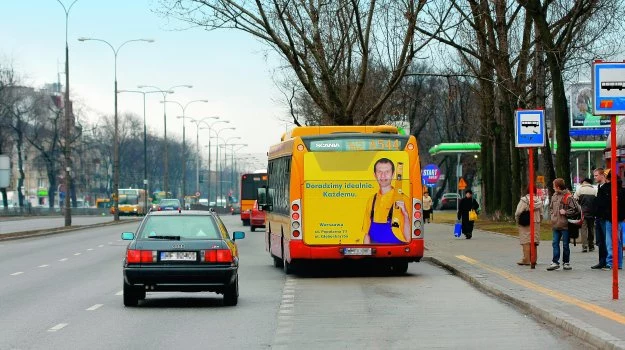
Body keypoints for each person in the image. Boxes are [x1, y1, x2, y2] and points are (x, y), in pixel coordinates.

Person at [362, 158, 411, 244]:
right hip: (375, 252)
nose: (383, 176)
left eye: (387, 172)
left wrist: (406, 216)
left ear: (393, 175)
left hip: (397, 252)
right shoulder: (371, 200)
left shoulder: (403, 199)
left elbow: (408, 239)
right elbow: (367, 235)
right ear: (375, 175)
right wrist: (366, 253)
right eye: (379, 172)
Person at [547, 178, 577, 271]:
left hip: (565, 225)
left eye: (553, 185)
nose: (552, 187)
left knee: (565, 245)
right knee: (555, 243)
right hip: (555, 224)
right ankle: (555, 262)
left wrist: (566, 212)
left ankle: (566, 262)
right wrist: (552, 215)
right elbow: (551, 207)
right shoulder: (554, 196)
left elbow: (575, 209)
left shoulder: (568, 196)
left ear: (558, 187)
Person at [514, 186, 542, 266]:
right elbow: (541, 213)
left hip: (525, 222)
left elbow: (518, 212)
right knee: (534, 241)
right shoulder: (539, 200)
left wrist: (517, 220)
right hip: (536, 221)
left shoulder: (524, 200)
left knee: (526, 240)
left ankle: (526, 259)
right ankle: (534, 259)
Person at [603, 169, 624, 270]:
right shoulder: (621, 189)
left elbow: (605, 204)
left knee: (610, 241)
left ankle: (611, 262)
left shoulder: (609, 189)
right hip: (619, 218)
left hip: (611, 218)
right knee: (618, 241)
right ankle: (618, 263)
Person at [591, 168, 609, 270]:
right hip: (598, 217)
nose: (594, 177)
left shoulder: (606, 188)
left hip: (604, 217)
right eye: (594, 175)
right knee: (600, 241)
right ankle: (601, 261)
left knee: (606, 240)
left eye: (596, 175)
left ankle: (607, 261)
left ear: (602, 175)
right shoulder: (599, 187)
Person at [574, 177, 597, 253]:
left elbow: (575, 201)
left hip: (582, 213)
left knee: (583, 229)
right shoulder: (594, 190)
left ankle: (584, 246)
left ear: (584, 182)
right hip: (592, 212)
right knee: (591, 229)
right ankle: (591, 245)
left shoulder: (579, 190)